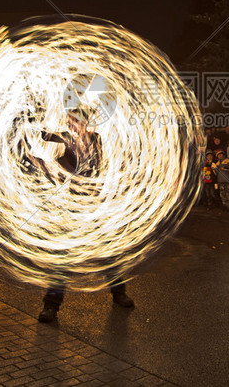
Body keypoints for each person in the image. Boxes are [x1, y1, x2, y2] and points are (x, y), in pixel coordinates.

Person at [36, 109, 134, 323]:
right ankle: (50, 306)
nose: (72, 124)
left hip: (94, 206)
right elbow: (43, 135)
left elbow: (97, 166)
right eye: (69, 121)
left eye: (76, 121)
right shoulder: (65, 137)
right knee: (63, 259)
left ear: (85, 123)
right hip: (74, 207)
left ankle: (119, 293)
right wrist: (38, 114)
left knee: (109, 254)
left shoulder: (96, 139)